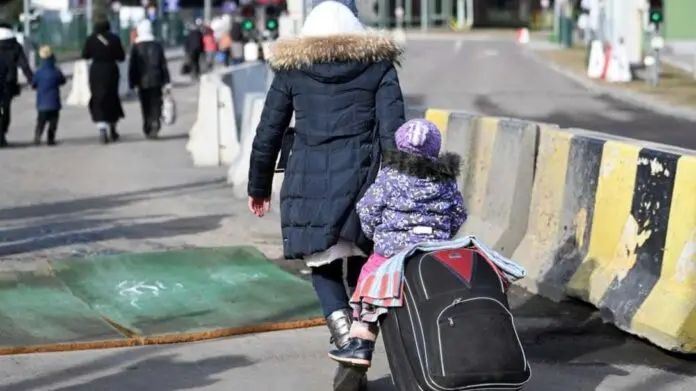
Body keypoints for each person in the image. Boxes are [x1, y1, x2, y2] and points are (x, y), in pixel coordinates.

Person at [246, 0, 405, 389]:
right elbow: (394, 131)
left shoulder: (292, 70)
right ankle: (358, 340)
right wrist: (402, 186)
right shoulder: (378, 65)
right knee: (363, 265)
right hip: (364, 181)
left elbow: (269, 130)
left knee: (323, 265)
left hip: (309, 183)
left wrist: (259, 186)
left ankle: (347, 337)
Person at [328, 118, 467, 367]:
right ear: (435, 148)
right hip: (432, 253)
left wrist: (375, 236)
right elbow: (458, 213)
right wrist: (443, 236)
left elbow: (367, 209)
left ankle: (361, 345)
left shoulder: (390, 175)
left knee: (368, 285)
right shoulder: (446, 179)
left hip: (392, 252)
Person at [81, 16, 126, 144]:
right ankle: (113, 126)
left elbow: (85, 55)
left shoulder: (90, 39)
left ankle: (102, 127)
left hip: (96, 71)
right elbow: (121, 56)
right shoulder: (114, 39)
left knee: (98, 98)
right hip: (111, 70)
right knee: (112, 97)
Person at [128, 19, 171, 139]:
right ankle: (156, 120)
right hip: (157, 79)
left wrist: (132, 82)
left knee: (145, 104)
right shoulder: (157, 45)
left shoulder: (136, 46)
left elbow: (133, 66)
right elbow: (163, 64)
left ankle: (148, 125)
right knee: (156, 102)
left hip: (142, 81)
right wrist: (167, 81)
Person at [0, 22, 33, 147]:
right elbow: (24, 65)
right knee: (6, 109)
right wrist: (32, 79)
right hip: (9, 82)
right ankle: (3, 132)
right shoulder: (15, 46)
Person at [31, 46, 66, 146]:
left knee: (41, 122)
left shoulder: (39, 72)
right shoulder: (56, 71)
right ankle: (50, 139)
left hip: (42, 103)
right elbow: (63, 81)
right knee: (53, 123)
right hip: (54, 102)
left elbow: (33, 84)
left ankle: (37, 137)